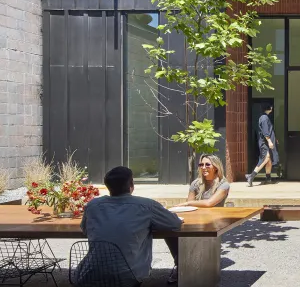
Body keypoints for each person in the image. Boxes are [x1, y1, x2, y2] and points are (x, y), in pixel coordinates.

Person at [78, 166, 183, 284]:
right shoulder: (146, 206)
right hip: (129, 276)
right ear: (131, 184)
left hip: (90, 274)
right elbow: (175, 224)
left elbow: (86, 230)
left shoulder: (92, 205)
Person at [164, 154, 230, 283]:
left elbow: (209, 203)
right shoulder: (196, 183)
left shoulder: (223, 184)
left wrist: (188, 203)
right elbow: (189, 204)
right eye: (201, 165)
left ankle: (184, 266)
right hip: (195, 216)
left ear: (216, 167)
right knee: (170, 231)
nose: (203, 167)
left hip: (213, 220)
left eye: (207, 164)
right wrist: (188, 204)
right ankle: (180, 264)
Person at [245, 103, 279, 186]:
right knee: (265, 158)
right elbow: (265, 131)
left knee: (269, 159)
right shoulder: (264, 118)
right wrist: (269, 141)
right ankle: (252, 175)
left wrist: (274, 139)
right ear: (270, 108)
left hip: (267, 142)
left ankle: (268, 178)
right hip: (265, 142)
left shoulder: (265, 117)